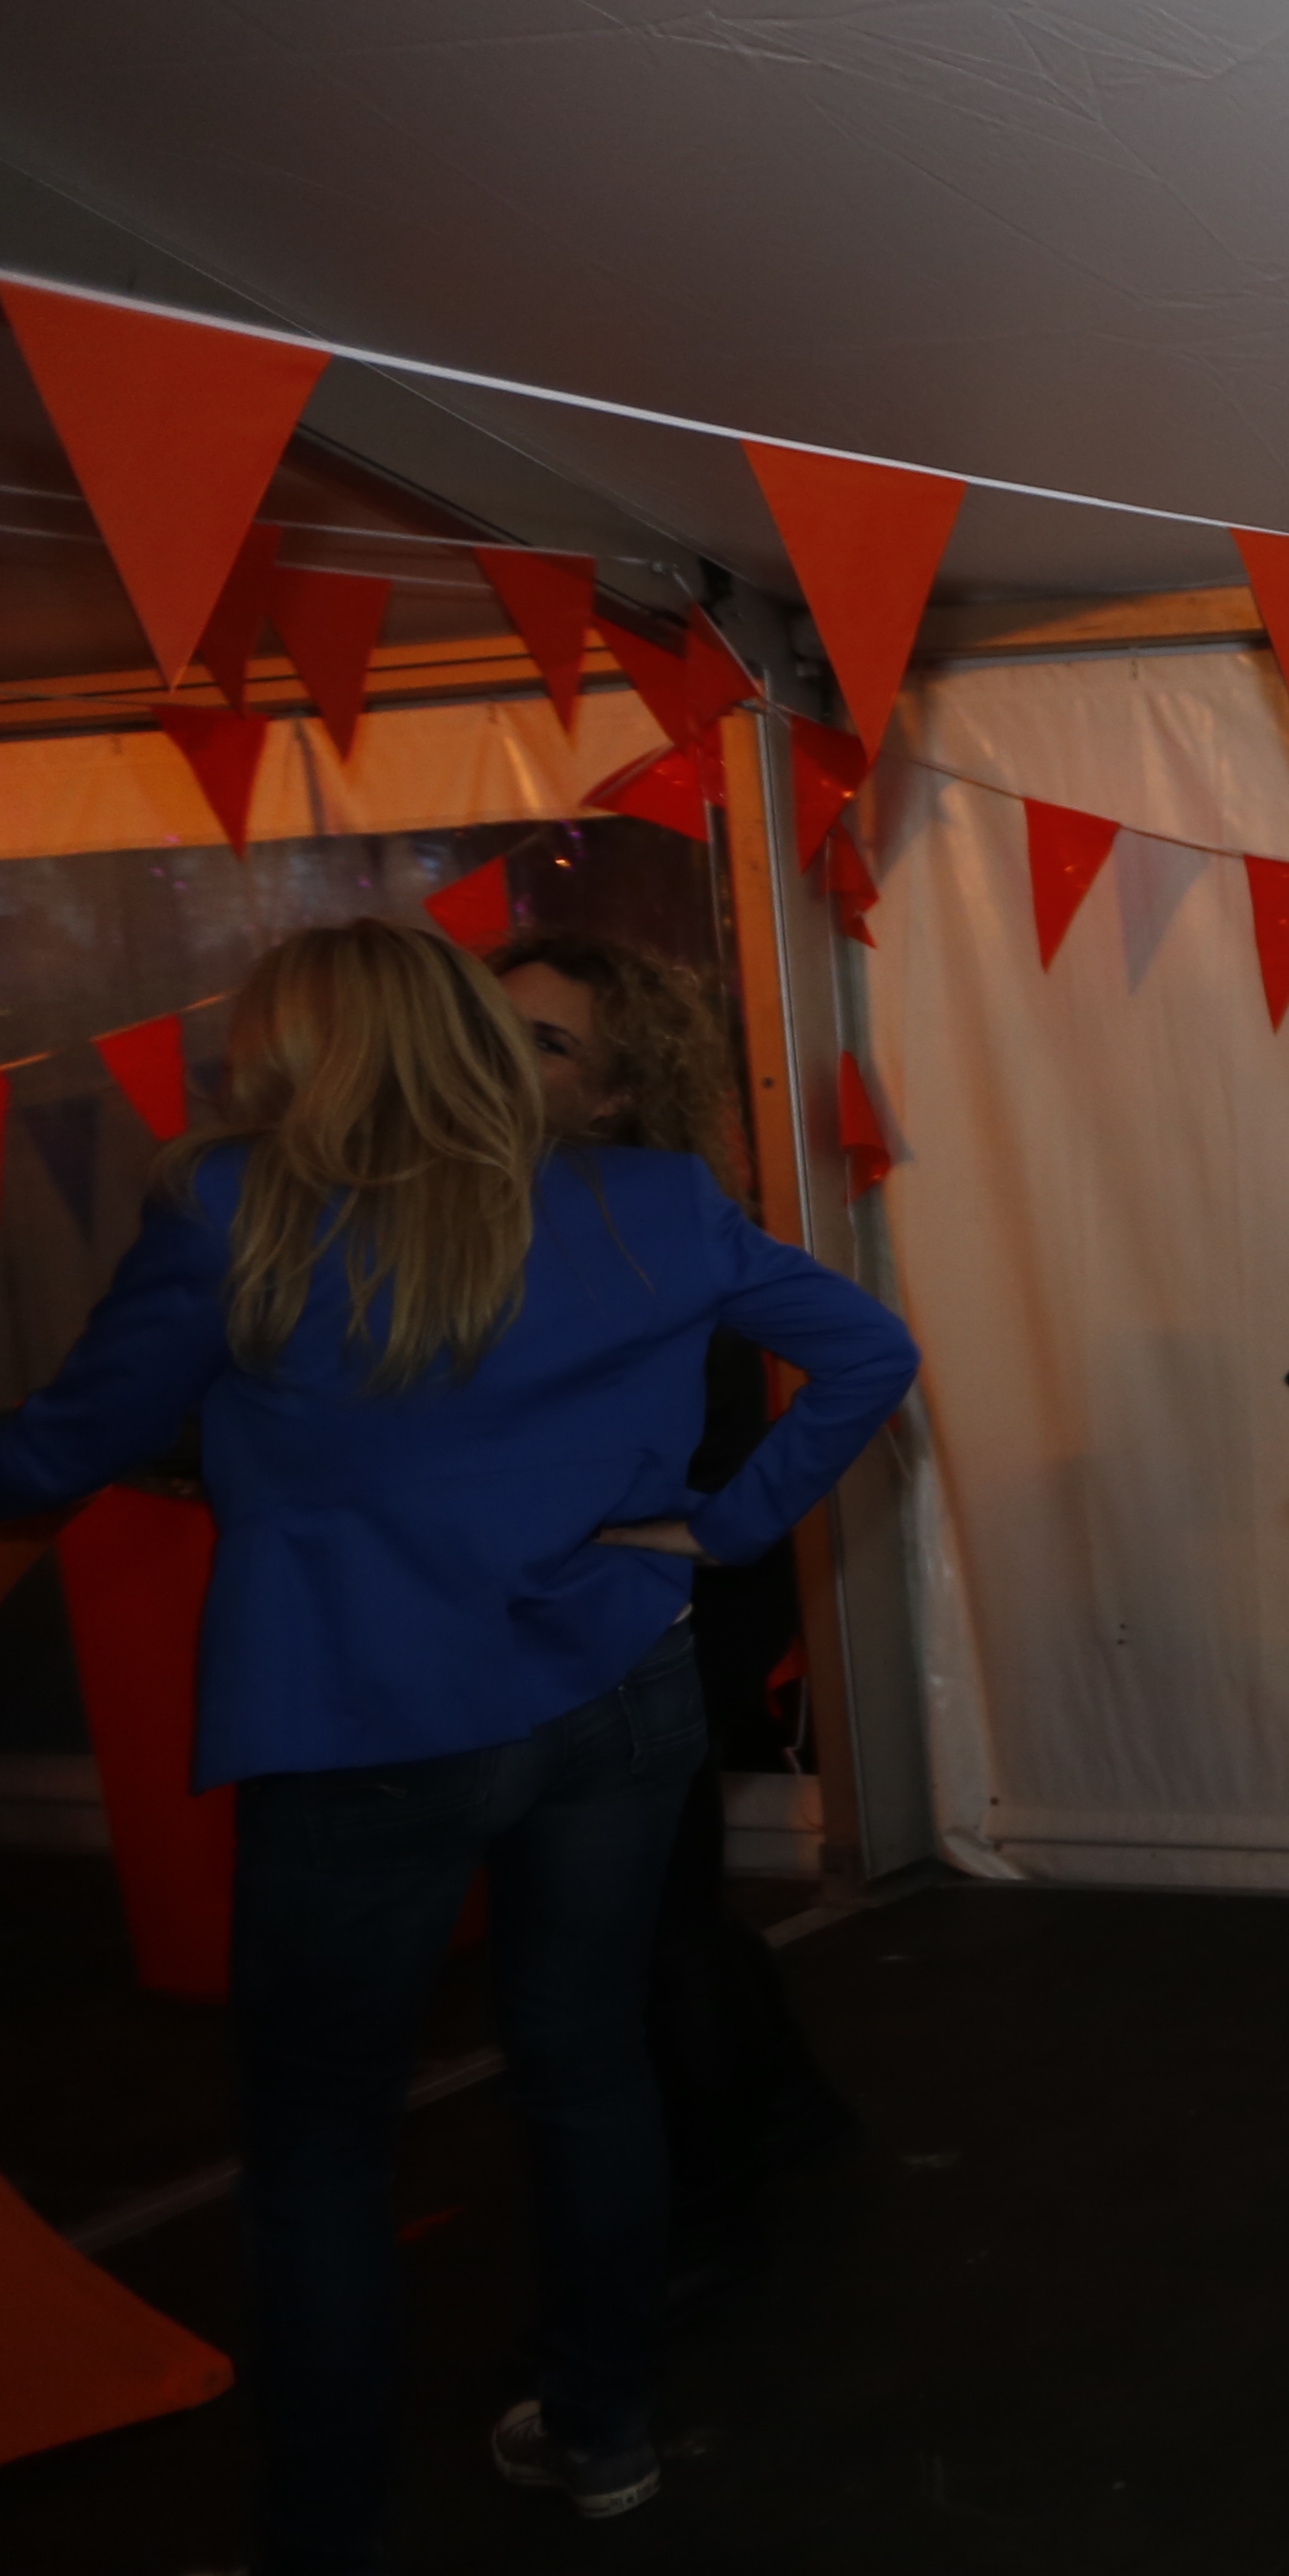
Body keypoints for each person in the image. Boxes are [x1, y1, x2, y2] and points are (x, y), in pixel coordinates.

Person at [0, 918, 914, 2576]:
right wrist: (720, 1531)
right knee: (586, 2070)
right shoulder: (645, 1199)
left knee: (324, 2154)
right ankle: (602, 2434)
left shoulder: (237, 1205)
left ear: (301, 1050)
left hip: (367, 1728)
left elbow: (56, 1449)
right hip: (611, 1692)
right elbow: (869, 1352)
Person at [488, 930, 861, 2272]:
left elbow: (862, 1363)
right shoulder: (494, 1206)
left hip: (669, 1598)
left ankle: (706, 2207)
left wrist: (721, 1530)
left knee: (644, 1918)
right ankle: (778, 2123)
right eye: (486, 1025)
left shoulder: (637, 1217)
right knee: (661, 1900)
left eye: (544, 1041)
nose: (499, 1056)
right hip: (620, 1597)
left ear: (616, 1093)